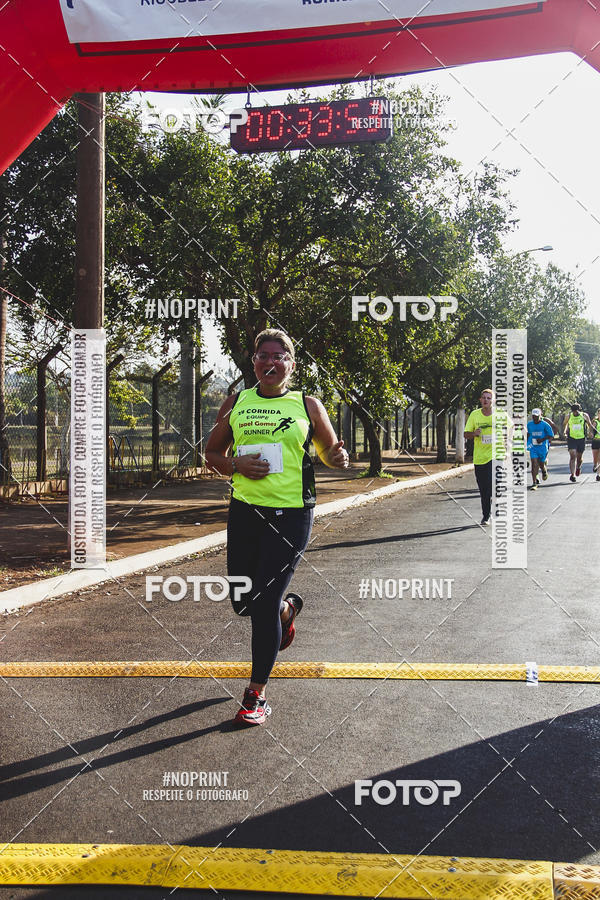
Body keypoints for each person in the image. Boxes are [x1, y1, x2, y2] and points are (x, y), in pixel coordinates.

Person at [205, 329, 349, 726]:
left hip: (291, 513)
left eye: (279, 356)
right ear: (253, 362)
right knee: (243, 602)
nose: (270, 362)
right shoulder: (237, 402)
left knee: (262, 603)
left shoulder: (308, 405)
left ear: (291, 364)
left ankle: (256, 695)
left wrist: (337, 457)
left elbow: (329, 454)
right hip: (246, 511)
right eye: (263, 355)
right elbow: (212, 453)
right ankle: (285, 613)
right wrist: (236, 465)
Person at [464, 388, 511, 526]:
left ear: (493, 400)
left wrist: (508, 445)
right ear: (480, 400)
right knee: (483, 489)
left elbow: (511, 427)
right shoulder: (474, 415)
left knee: (493, 483)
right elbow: (466, 434)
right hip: (480, 457)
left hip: (497, 454)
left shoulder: (500, 414)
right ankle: (486, 515)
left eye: (489, 398)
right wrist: (474, 433)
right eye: (484, 398)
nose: (486, 400)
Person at [564, 403, 593, 482]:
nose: (575, 413)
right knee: (573, 456)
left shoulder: (584, 415)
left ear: (579, 410)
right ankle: (572, 475)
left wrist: (590, 432)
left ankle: (578, 467)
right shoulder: (569, 416)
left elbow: (590, 424)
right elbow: (565, 424)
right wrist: (565, 431)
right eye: (573, 411)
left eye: (576, 411)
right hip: (571, 438)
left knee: (579, 458)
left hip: (581, 438)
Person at [526, 408, 555, 489]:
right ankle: (534, 482)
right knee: (534, 463)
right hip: (533, 447)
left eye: (536, 416)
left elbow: (551, 435)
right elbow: (528, 434)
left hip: (542, 447)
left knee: (541, 463)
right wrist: (526, 442)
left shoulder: (545, 424)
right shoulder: (529, 424)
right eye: (533, 416)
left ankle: (543, 470)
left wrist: (542, 439)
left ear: (540, 416)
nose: (535, 418)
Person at [591, 407, 600, 481]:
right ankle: (594, 465)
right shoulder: (595, 422)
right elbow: (591, 430)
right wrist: (591, 432)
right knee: (595, 459)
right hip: (596, 441)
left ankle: (598, 474)